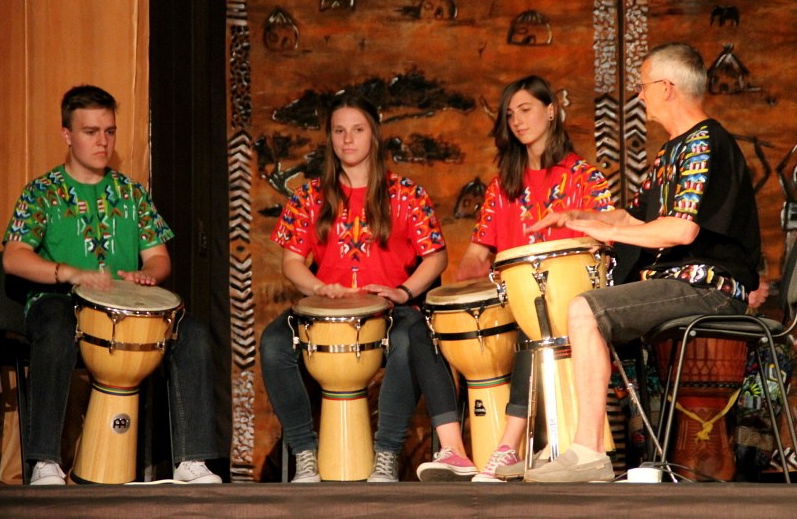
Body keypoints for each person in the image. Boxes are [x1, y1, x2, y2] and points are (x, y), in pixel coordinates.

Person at [524, 42, 760, 482]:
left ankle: (589, 452)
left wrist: (609, 233)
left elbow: (680, 230)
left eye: (643, 85)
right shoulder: (670, 151)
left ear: (667, 87)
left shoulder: (705, 144)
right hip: (680, 284)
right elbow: (636, 218)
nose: (639, 94)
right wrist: (580, 218)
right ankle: (590, 449)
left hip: (709, 287)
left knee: (585, 309)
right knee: (586, 308)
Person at [2, 85, 221, 485]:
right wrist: (69, 273)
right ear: (67, 134)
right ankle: (44, 461)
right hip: (61, 302)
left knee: (194, 333)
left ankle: (193, 459)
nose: (103, 141)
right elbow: (13, 257)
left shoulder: (131, 193)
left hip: (127, 312)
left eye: (109, 131)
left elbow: (159, 257)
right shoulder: (42, 192)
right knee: (55, 326)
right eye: (91, 132)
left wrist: (148, 274)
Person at [411, 75, 614, 482]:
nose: (517, 120)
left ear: (551, 111)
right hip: (509, 303)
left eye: (525, 109)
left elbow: (605, 245)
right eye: (509, 114)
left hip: (568, 310)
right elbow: (476, 255)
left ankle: (507, 446)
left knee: (535, 319)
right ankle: (455, 451)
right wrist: (463, 290)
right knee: (422, 328)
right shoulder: (502, 186)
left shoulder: (585, 178)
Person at [259, 93, 447, 483]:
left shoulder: (406, 193)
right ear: (329, 138)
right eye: (339, 131)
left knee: (409, 340)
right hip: (325, 311)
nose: (348, 139)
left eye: (358, 130)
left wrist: (404, 292)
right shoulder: (309, 195)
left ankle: (386, 455)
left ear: (374, 135)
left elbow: (436, 256)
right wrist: (319, 287)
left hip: (390, 310)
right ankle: (304, 453)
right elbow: (291, 262)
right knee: (274, 344)